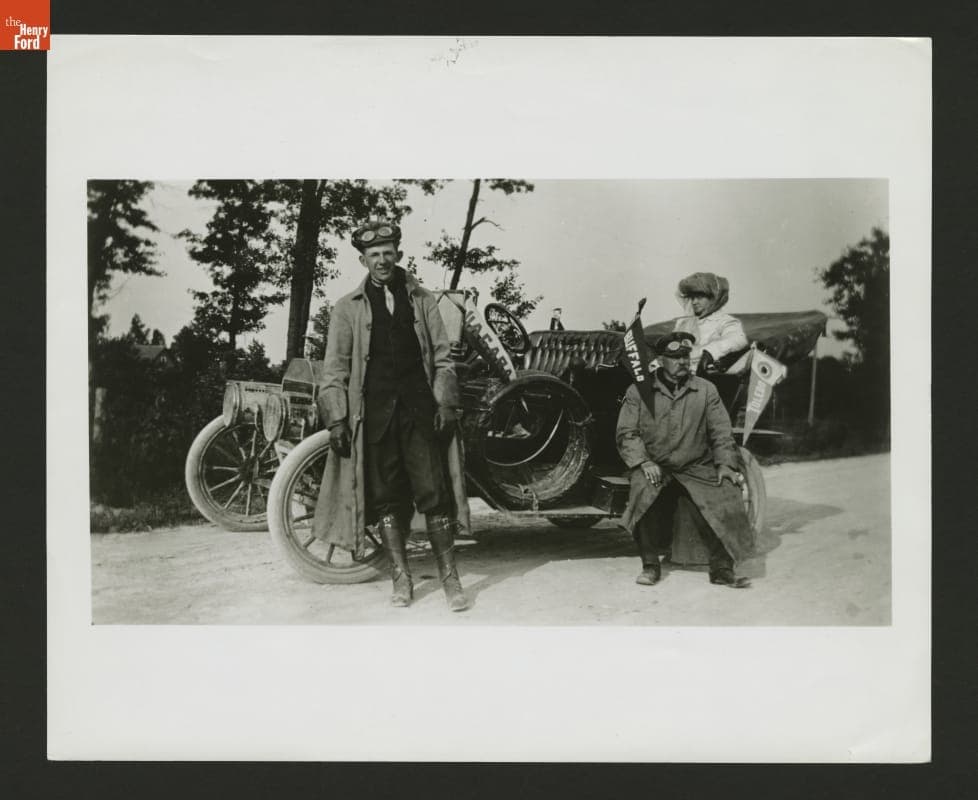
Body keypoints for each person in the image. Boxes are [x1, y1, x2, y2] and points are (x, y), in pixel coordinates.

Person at [311, 220, 470, 611]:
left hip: (419, 414)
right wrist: (336, 419)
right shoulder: (347, 309)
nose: (381, 261)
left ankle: (450, 579)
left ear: (398, 254)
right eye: (373, 255)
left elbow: (445, 359)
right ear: (363, 259)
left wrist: (445, 403)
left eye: (388, 253)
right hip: (375, 419)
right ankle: (402, 579)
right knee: (385, 499)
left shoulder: (423, 300)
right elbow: (334, 371)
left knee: (434, 494)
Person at [615, 331, 755, 588]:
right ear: (660, 360)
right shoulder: (639, 390)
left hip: (695, 466)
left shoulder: (705, 390)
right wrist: (643, 462)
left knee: (726, 491)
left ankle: (722, 569)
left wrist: (725, 464)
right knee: (641, 490)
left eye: (686, 356)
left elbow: (721, 432)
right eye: (675, 357)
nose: (682, 362)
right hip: (655, 465)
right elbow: (627, 433)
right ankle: (650, 566)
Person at [673, 272, 747, 375]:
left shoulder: (724, 321)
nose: (694, 302)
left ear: (713, 298)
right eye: (692, 297)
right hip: (676, 372)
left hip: (702, 377)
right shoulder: (683, 323)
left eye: (699, 297)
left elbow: (738, 339)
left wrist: (709, 353)